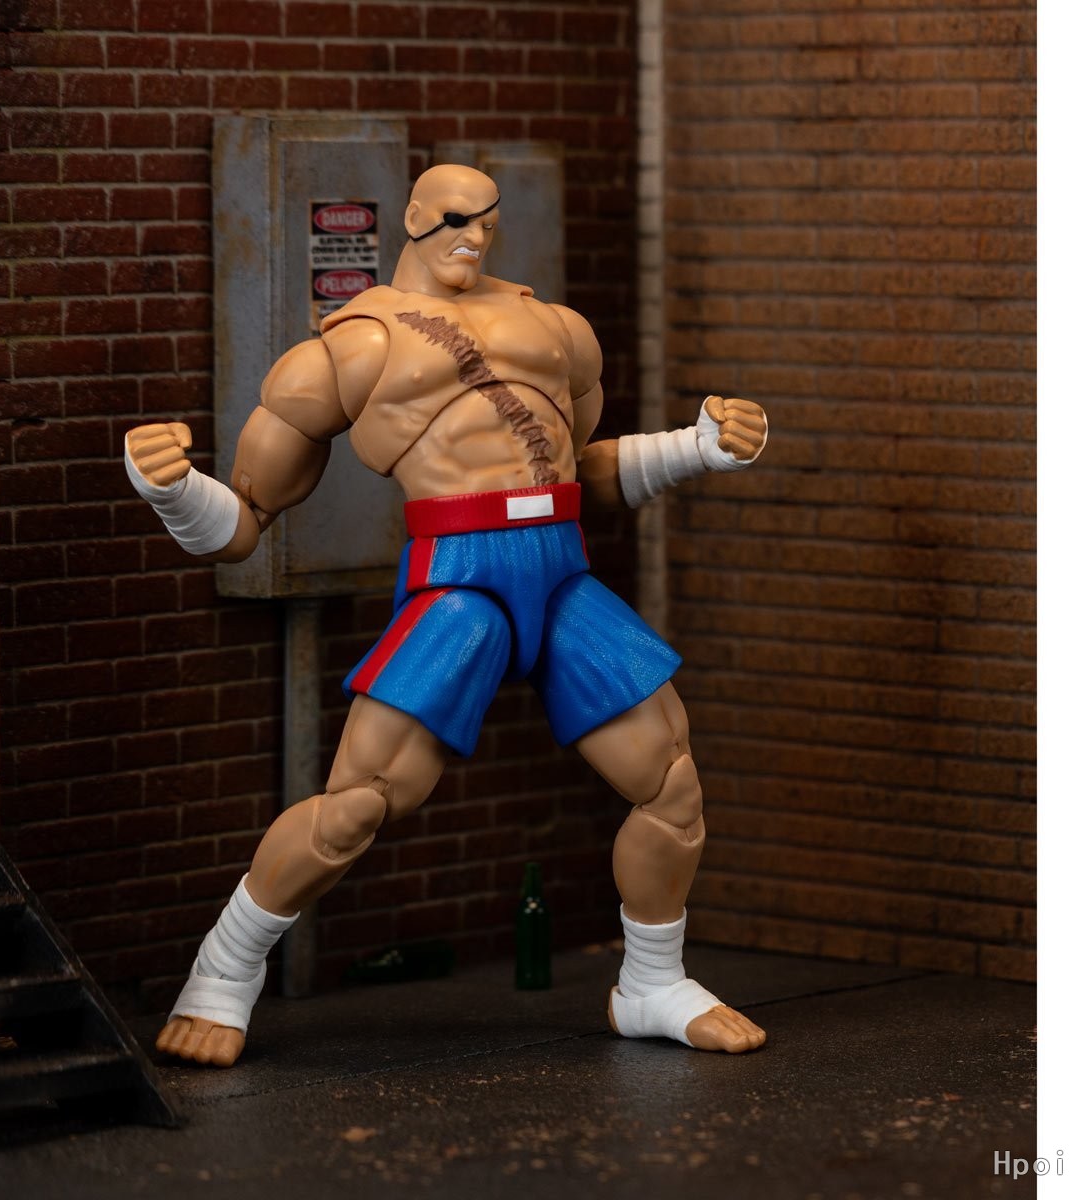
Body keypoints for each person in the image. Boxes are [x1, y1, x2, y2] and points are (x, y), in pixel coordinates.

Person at [126, 164, 769, 1067]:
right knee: (356, 805)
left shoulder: (556, 329)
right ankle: (223, 973)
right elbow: (245, 523)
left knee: (671, 784)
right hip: (460, 583)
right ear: (415, 217)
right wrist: (172, 491)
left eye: (488, 222)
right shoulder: (352, 349)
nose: (474, 237)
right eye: (457, 219)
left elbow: (583, 467)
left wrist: (694, 448)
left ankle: (652, 984)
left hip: (560, 574)